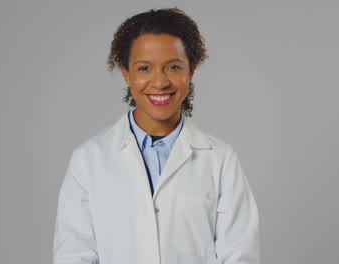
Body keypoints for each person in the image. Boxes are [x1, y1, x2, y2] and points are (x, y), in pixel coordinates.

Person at [52, 7, 260, 264]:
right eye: (144, 68)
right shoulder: (89, 159)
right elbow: (74, 255)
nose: (159, 82)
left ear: (190, 70)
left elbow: (239, 256)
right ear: (126, 72)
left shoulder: (220, 160)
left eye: (173, 67)